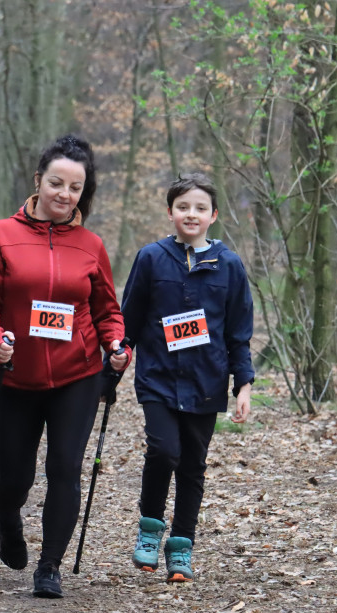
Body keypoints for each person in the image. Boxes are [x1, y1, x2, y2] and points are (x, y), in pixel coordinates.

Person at [0, 134, 129, 599]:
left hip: (76, 376)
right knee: (13, 477)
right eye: (56, 183)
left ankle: (50, 566)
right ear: (38, 181)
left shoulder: (91, 245)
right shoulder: (2, 234)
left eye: (75, 188)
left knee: (65, 468)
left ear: (84, 193)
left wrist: (116, 344)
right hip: (13, 374)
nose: (64, 194)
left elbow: (107, 312)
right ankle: (8, 525)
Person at [120, 172, 253, 583]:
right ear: (170, 212)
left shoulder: (229, 265)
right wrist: (116, 357)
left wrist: (243, 384)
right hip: (158, 377)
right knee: (163, 451)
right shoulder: (151, 258)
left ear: (213, 215)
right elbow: (129, 318)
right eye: (183, 207)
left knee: (192, 465)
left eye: (199, 208)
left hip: (206, 382)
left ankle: (181, 548)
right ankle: (149, 529)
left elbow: (238, 332)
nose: (190, 214)